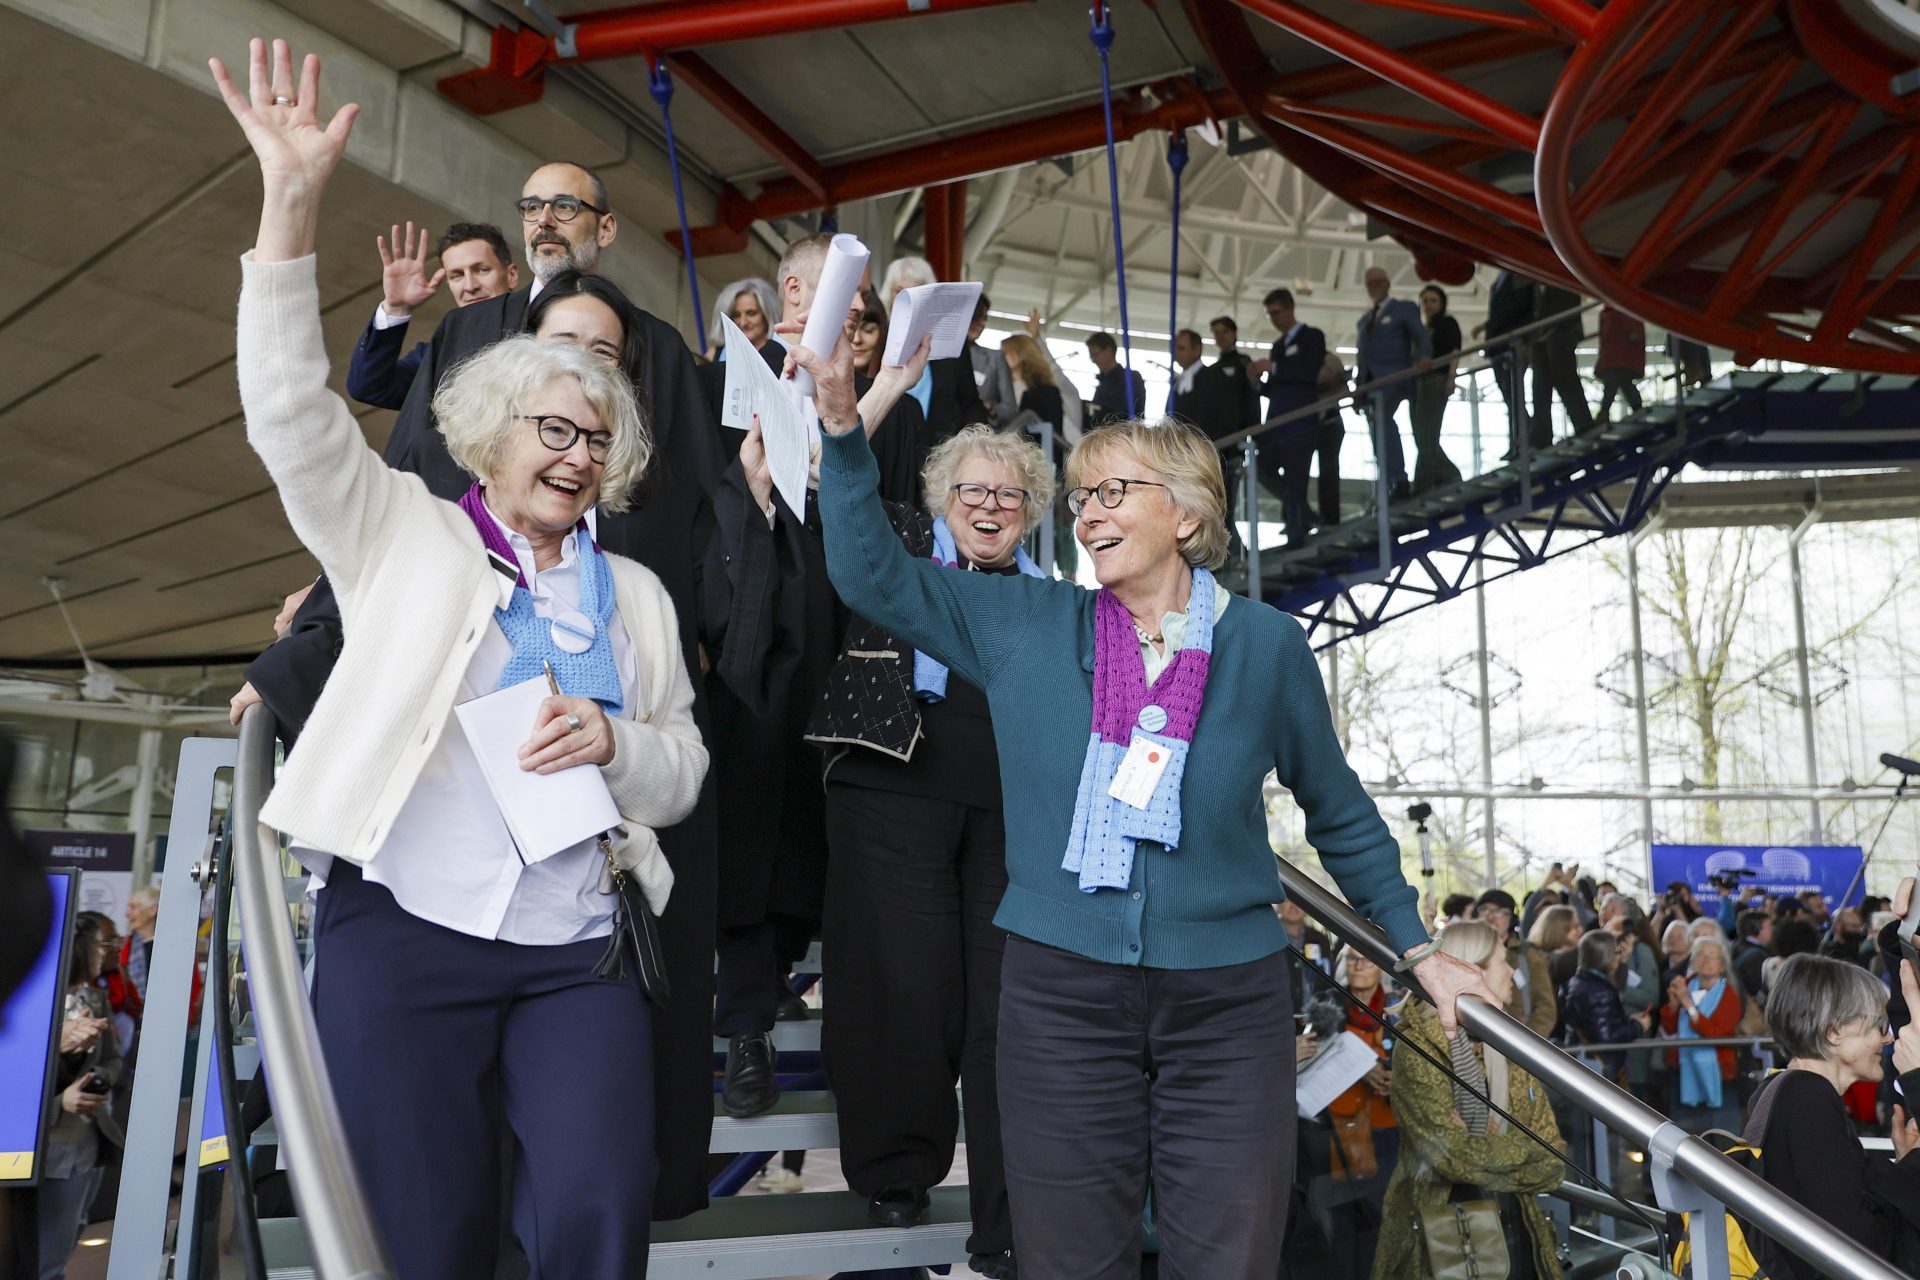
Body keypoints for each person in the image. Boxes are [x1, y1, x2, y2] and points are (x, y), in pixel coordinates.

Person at [798, 312, 1495, 1273]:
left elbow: (1336, 809)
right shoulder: (1022, 623)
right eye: (1080, 498)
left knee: (1229, 1255)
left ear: (1189, 515)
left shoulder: (1265, 647)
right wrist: (841, 431)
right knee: (1071, 1258)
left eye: (1113, 491)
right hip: (1058, 993)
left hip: (1227, 1001)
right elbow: (868, 571)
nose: (1085, 513)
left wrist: (1416, 945)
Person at [211, 40, 711, 1275]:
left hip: (575, 943)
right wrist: (288, 201)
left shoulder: (634, 594)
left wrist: (621, 743)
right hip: (405, 930)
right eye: (556, 427)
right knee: (424, 1239)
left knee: (600, 1212)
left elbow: (687, 764)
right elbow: (289, 413)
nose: (580, 454)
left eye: (600, 438)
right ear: (491, 435)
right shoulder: (404, 533)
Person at [806, 426, 1054, 1276]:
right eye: (974, 492)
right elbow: (837, 502)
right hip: (891, 787)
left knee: (1005, 1006)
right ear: (942, 501)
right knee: (901, 986)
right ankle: (897, 1171)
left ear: (1030, 513)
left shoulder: (1048, 594)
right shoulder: (901, 548)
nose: (990, 507)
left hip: (1007, 811)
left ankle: (1009, 1213)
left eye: (1009, 495)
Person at [1373, 921, 1568, 1280]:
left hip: (1518, 1231)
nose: (1512, 970)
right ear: (1470, 970)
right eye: (1502, 961)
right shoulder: (1418, 1048)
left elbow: (1554, 1160)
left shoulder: (1507, 1041)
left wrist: (1482, 1146)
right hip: (1441, 1240)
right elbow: (1452, 1159)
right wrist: (1520, 1148)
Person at [1743, 953, 1920, 1280]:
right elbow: (1860, 1242)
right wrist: (1910, 1165)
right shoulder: (1808, 1098)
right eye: (1879, 1024)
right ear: (1833, 1031)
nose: (1888, 1037)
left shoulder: (1780, 1090)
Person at [348, 221, 519, 410]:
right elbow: (368, 387)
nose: (470, 286)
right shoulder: (437, 355)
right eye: (457, 275)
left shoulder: (546, 330)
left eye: (481, 270)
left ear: (511, 275)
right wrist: (396, 308)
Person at [38, 918, 125, 1280]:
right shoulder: (34, 1004)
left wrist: (99, 1078)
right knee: (47, 1257)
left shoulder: (94, 997)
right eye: (100, 945)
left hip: (90, 1143)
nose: (105, 951)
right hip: (49, 1149)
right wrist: (61, 1103)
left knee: (74, 1232)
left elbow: (113, 1058)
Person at [1324, 946, 1399, 1280]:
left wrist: (1395, 1076)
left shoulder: (1397, 1012)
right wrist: (1358, 1068)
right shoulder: (1328, 1010)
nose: (1358, 966)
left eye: (1366, 959)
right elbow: (1313, 1063)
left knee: (1382, 1220)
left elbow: (1411, 1061)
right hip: (1339, 1129)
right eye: (1351, 959)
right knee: (1343, 1223)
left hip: (1387, 1127)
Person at [1252, 287, 1326, 544]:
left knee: (1297, 473)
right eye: (1269, 314)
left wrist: (1274, 367)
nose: (1273, 318)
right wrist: (1257, 381)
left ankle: (1297, 527)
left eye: (1276, 312)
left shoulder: (1312, 337)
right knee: (1263, 467)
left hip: (1300, 419)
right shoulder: (1278, 346)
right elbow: (1274, 387)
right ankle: (1301, 513)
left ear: (1290, 308)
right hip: (1277, 420)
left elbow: (1308, 372)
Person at [1353, 266, 1430, 501]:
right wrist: (1358, 390)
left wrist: (1424, 355)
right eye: (1370, 283)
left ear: (1387, 284)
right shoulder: (1363, 321)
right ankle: (1391, 484)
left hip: (1395, 376)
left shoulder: (1403, 309)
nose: (1374, 287)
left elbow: (1421, 335)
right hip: (1370, 385)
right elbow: (1361, 357)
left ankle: (1399, 480)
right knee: (1377, 430)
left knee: (1383, 422)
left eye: (1378, 281)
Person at [1659, 933, 1743, 1131]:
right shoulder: (1684, 984)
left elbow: (1716, 1033)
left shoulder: (1729, 994)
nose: (1706, 961)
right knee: (1686, 1132)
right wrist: (1672, 1004)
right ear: (1693, 960)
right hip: (1682, 1069)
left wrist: (1687, 1004)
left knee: (1721, 1132)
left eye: (1713, 956)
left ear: (1722, 964)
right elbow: (1669, 1029)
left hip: (1720, 1073)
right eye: (1700, 955)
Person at [1557, 929, 1650, 1081]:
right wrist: (1637, 1026)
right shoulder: (1600, 992)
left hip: (1580, 1059)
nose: (1619, 956)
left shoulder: (1576, 981)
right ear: (1607, 957)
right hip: (1598, 1067)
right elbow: (1606, 1038)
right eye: (1617, 952)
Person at [1477, 889, 1555, 1038]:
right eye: (1485, 910)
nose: (1492, 917)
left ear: (1511, 918)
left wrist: (1527, 1043)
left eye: (1501, 912)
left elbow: (1546, 1008)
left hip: (1515, 1043)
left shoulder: (1527, 955)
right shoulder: (1466, 953)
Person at [1473, 269, 1535, 457]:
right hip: (1499, 344)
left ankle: (1523, 439)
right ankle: (1519, 439)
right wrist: (1486, 327)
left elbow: (1524, 308)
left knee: (1513, 394)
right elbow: (1502, 311)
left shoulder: (1520, 277)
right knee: (1510, 395)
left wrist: (1526, 341)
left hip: (1512, 342)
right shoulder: (1501, 280)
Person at [1410, 285, 1463, 494]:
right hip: (1419, 383)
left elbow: (1453, 351)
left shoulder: (1447, 323)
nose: (1428, 305)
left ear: (1441, 303)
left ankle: (1423, 484)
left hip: (1436, 380)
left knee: (1427, 434)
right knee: (1422, 435)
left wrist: (1451, 378)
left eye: (1433, 300)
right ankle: (1448, 473)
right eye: (1424, 301)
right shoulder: (1423, 329)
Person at [1528, 281, 1594, 439]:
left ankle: (1583, 424)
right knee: (1541, 384)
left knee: (1563, 377)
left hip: (1561, 328)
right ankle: (1541, 436)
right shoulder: (1534, 283)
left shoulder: (1559, 271)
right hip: (1542, 333)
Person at [707, 276, 782, 372]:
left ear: (768, 314)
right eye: (736, 315)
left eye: (751, 313)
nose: (743, 322)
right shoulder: (714, 354)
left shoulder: (783, 352)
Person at [968, 292, 1018, 426]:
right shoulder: (936, 355)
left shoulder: (995, 359)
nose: (982, 323)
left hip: (977, 436)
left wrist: (990, 408)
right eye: (977, 316)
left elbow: (1010, 410)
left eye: (985, 317)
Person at [1593, 306, 1645, 422]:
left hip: (1619, 354)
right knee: (1622, 381)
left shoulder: (1609, 313)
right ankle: (1638, 411)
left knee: (1615, 380)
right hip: (1619, 354)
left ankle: (1604, 413)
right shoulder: (1611, 312)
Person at [1084, 331, 1144, 426]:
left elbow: (1132, 414)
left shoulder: (1131, 379)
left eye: (1095, 354)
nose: (1093, 360)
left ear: (1109, 350)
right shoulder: (1102, 383)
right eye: (1091, 355)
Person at [1531, 903, 1582, 993]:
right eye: (1576, 926)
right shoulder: (1548, 961)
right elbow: (1563, 961)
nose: (1581, 930)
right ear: (1560, 929)